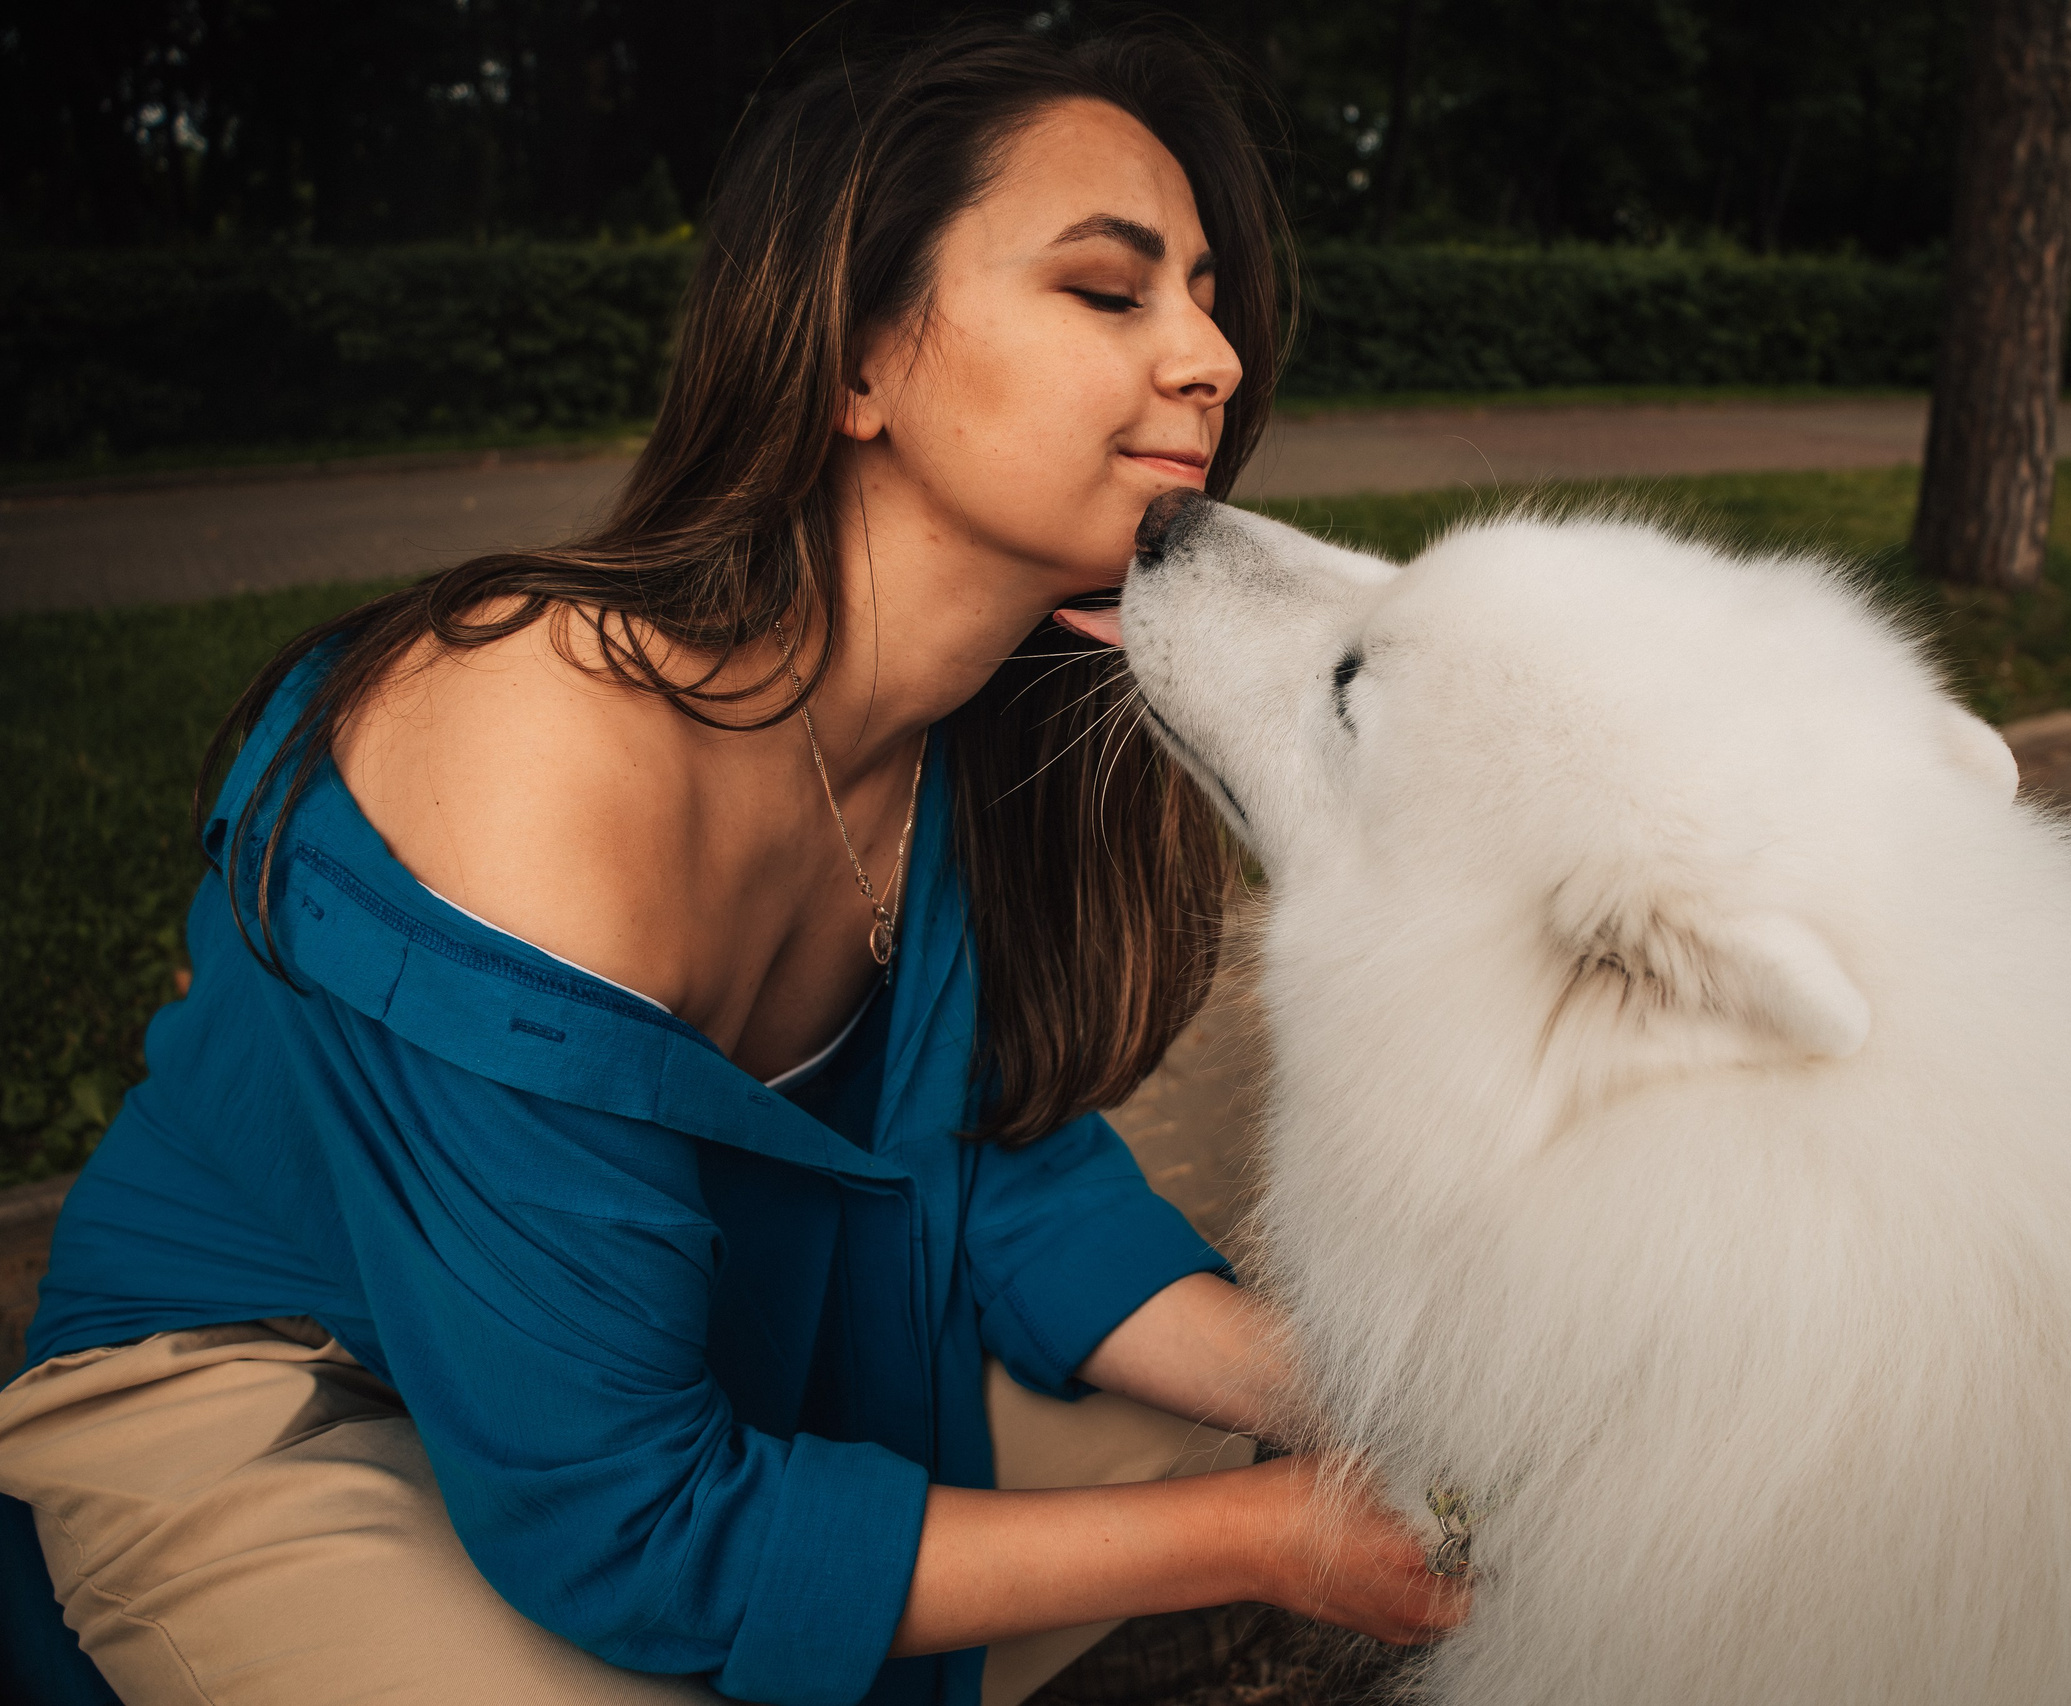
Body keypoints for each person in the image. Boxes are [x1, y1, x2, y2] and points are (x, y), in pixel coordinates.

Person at [0, 24, 1465, 1706]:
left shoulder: (970, 729)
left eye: (1207, 293)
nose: (1212, 353)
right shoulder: (540, 742)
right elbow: (627, 1521)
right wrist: (1273, 1536)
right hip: (294, 1388)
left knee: (1212, 1416)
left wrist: (1384, 1397)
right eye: (1108, 291)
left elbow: (998, 1179)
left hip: (706, 1341)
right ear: (854, 360)